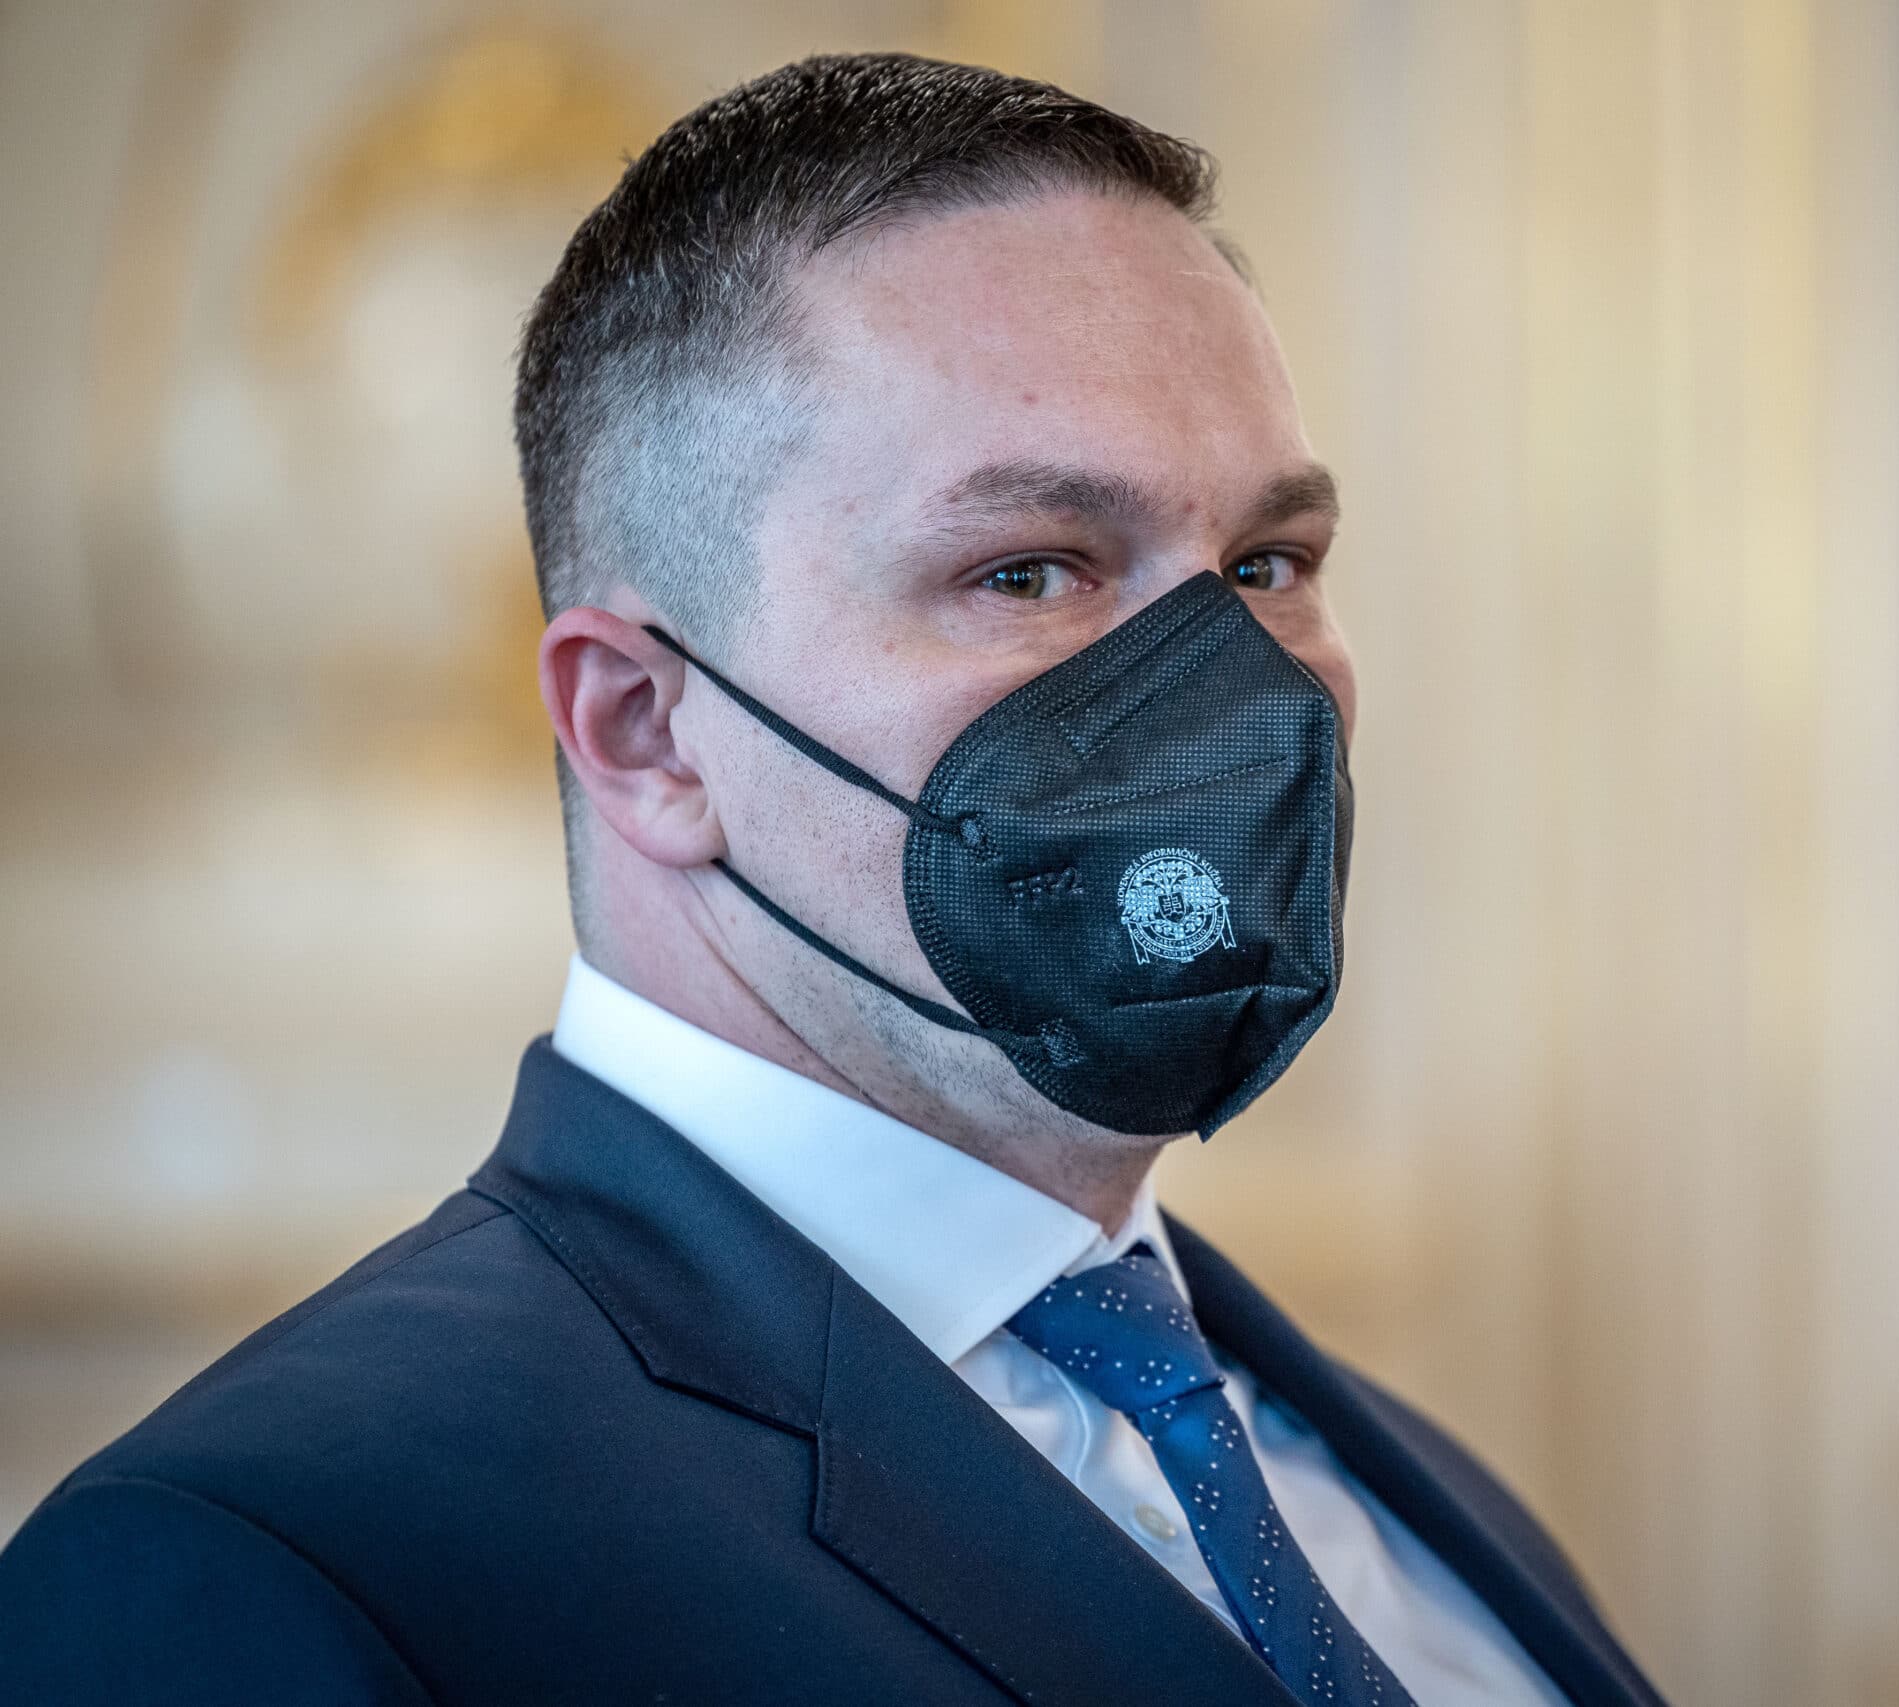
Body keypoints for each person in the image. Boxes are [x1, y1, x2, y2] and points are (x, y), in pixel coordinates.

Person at [0, 53, 1664, 1707]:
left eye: (1267, 563)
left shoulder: (1426, 1512)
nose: (1226, 687)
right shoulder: (265, 1572)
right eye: (1029, 571)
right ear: (646, 728)